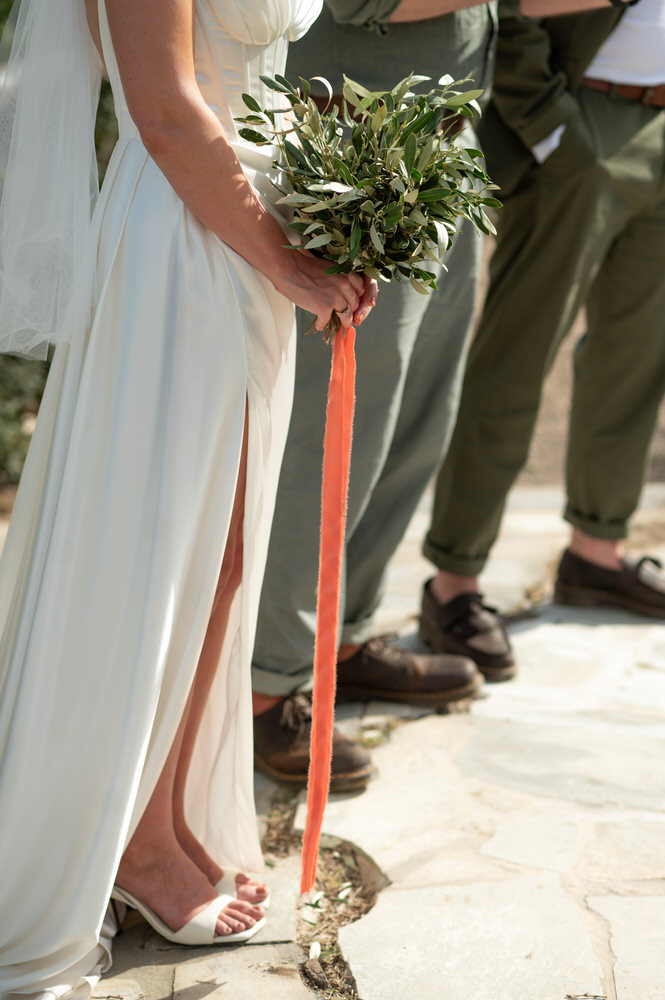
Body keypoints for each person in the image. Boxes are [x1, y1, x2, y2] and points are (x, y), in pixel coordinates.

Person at [0, 0, 376, 995]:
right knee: (168, 552)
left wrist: (332, 211)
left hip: (239, 229)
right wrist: (285, 260)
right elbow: (165, 110)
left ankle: (157, 816)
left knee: (223, 554)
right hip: (180, 242)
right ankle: (133, 843)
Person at [251, 0, 498, 793]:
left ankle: (344, 639)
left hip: (445, 156)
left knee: (414, 419)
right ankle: (269, 683)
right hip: (356, 161)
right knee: (332, 436)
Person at [419, 0, 665, 677]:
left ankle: (596, 553)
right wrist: (553, 129)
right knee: (516, 356)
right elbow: (509, 6)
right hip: (582, 120)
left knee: (636, 356)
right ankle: (454, 582)